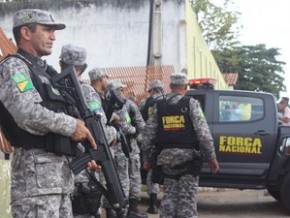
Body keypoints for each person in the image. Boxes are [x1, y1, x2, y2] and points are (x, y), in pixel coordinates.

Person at [0, 9, 99, 217]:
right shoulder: (15, 67)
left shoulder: (46, 73)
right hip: (34, 182)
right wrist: (72, 126)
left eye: (54, 31)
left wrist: (81, 151)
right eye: (47, 30)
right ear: (26, 33)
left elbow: (55, 117)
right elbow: (27, 113)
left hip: (59, 180)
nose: (53, 37)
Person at [142, 72, 219, 218]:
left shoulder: (159, 105)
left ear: (170, 86)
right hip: (188, 159)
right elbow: (203, 133)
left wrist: (147, 159)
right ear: (185, 87)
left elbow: (148, 134)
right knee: (187, 202)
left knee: (169, 199)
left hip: (166, 160)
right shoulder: (192, 104)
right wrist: (211, 157)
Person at [59, 44, 119, 218]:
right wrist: (115, 133)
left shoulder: (51, 87)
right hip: (83, 172)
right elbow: (99, 130)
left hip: (56, 172)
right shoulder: (86, 91)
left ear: (60, 63)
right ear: (84, 68)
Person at [106, 80, 147, 218]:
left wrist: (135, 131)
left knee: (132, 178)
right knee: (114, 180)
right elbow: (124, 127)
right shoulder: (106, 104)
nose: (123, 92)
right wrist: (133, 129)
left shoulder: (129, 105)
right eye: (120, 90)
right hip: (113, 149)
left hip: (129, 148)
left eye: (123, 90)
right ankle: (116, 211)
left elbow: (141, 124)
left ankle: (131, 210)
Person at [139, 80, 164, 214]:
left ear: (152, 90)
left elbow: (139, 120)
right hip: (165, 141)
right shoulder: (167, 101)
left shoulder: (145, 103)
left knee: (151, 171)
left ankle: (153, 204)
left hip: (150, 140)